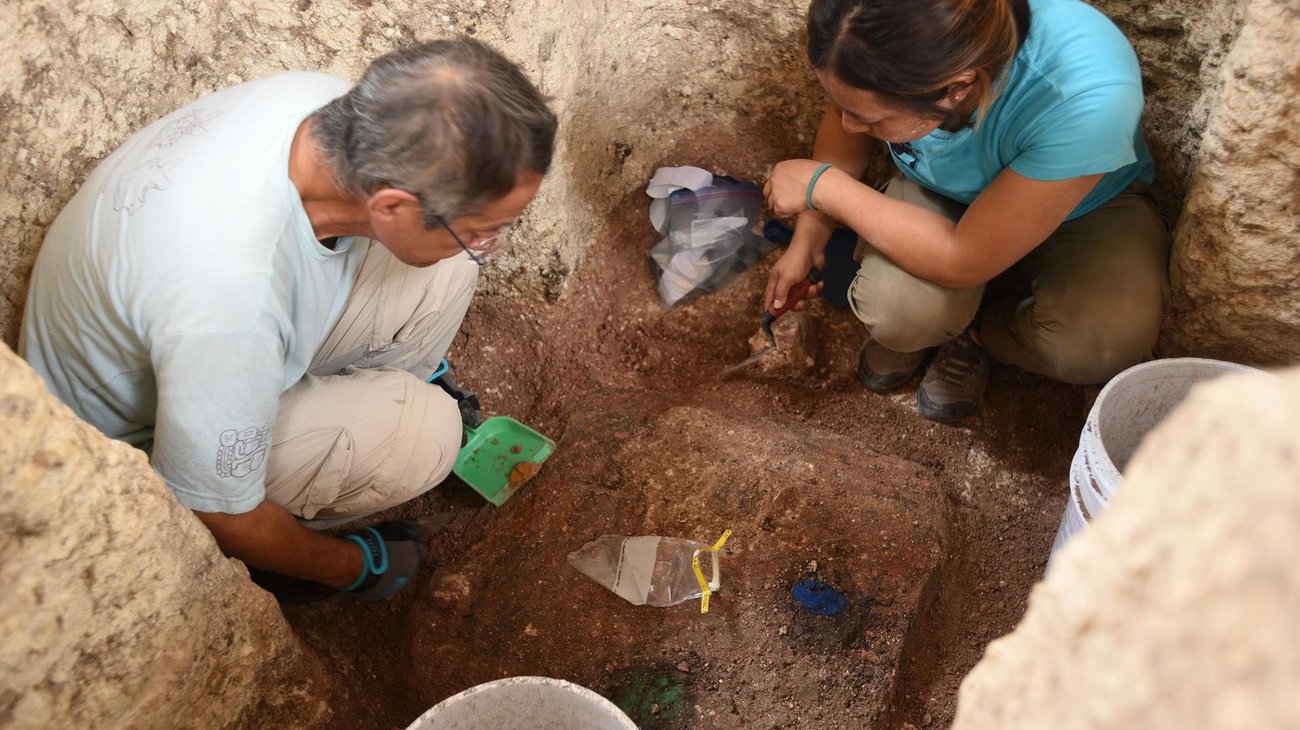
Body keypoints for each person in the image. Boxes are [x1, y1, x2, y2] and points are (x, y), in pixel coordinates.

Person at [20, 39, 557, 600]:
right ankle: (280, 556)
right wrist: (354, 565)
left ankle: (367, 403)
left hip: (200, 355)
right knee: (426, 434)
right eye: (478, 230)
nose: (488, 242)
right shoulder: (229, 300)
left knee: (446, 269)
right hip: (143, 448)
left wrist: (461, 240)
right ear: (391, 206)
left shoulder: (317, 104)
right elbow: (221, 513)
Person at [763, 0, 1169, 422]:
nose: (848, 125)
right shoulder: (886, 39)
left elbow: (962, 258)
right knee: (900, 313)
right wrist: (810, 238)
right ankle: (942, 322)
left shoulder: (1086, 96)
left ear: (956, 87)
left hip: (1084, 206)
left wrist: (822, 187)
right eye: (840, 105)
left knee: (1100, 341)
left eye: (867, 118)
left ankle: (977, 333)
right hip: (943, 190)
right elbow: (849, 122)